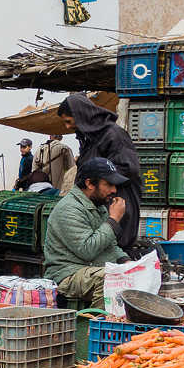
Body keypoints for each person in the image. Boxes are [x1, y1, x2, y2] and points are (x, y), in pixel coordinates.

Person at [58, 94, 142, 251]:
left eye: (68, 121)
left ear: (80, 115)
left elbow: (129, 168)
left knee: (115, 248)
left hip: (117, 202)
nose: (67, 127)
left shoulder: (113, 135)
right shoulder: (89, 138)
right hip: (98, 204)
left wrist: (99, 177)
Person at [43, 159, 130, 308]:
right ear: (90, 184)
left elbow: (110, 246)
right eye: (108, 184)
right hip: (68, 274)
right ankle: (97, 327)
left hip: (91, 268)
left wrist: (125, 261)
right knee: (108, 279)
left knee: (134, 274)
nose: (114, 190)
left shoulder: (98, 206)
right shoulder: (69, 209)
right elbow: (87, 250)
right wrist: (113, 220)